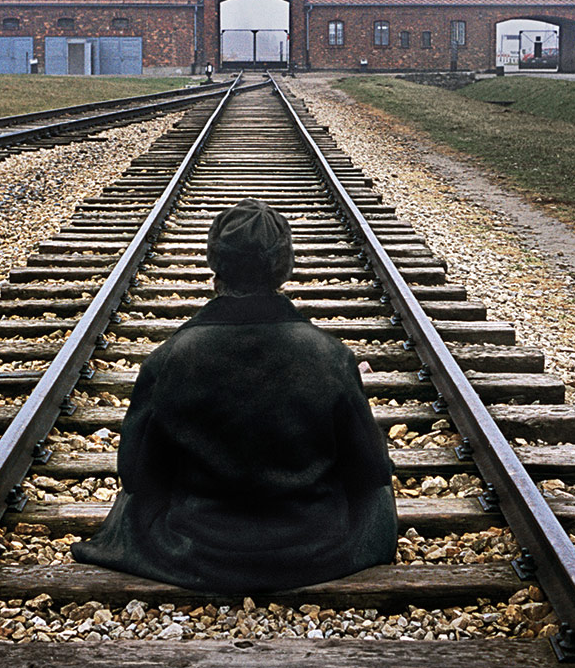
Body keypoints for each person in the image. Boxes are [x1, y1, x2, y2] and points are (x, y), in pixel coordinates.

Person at [72, 199, 397, 592]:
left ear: (216, 265)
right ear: (284, 267)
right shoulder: (330, 356)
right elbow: (372, 471)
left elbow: (137, 477)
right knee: (378, 500)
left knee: (129, 508)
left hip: (196, 550)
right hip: (311, 552)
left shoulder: (169, 359)